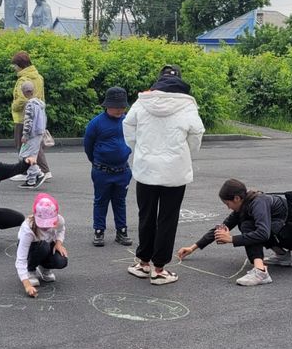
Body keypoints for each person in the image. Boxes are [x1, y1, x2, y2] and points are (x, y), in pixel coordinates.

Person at [123, 64, 204, 285]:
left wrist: (139, 149)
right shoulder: (187, 104)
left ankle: (143, 262)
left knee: (146, 215)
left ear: (159, 80)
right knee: (168, 218)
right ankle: (159, 269)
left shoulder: (143, 100)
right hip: (175, 171)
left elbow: (128, 125)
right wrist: (186, 153)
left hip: (146, 168)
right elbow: (197, 132)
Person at [177, 178, 292, 287]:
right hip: (289, 233)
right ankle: (283, 256)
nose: (228, 208)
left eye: (227, 204)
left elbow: (263, 234)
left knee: (248, 225)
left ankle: (261, 272)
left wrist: (231, 239)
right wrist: (192, 247)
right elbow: (221, 228)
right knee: (248, 223)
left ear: (237, 198)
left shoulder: (259, 202)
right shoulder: (245, 204)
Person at [83, 86, 132, 247]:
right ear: (107, 105)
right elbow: (88, 146)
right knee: (101, 201)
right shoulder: (96, 123)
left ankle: (121, 231)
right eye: (116, 107)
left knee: (120, 202)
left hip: (122, 170)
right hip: (102, 170)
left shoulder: (128, 122)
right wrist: (96, 161)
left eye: (122, 107)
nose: (119, 110)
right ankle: (99, 231)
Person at [15, 192, 68, 298]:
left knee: (61, 261)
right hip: (33, 249)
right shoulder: (28, 228)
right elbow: (21, 259)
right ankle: (30, 269)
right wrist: (27, 285)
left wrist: (58, 243)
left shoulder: (59, 220)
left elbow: (61, 229)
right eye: (43, 223)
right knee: (43, 246)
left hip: (46, 245)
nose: (46, 227)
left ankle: (44, 267)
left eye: (49, 223)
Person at [10, 51, 51, 182]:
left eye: (15, 65)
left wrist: (14, 106)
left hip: (23, 117)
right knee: (35, 146)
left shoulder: (23, 80)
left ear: (20, 65)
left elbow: (22, 99)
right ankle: (45, 170)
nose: (14, 68)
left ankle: (26, 171)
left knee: (23, 146)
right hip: (38, 116)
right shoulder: (39, 77)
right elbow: (42, 96)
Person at [17, 80, 47, 189]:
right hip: (39, 132)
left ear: (24, 92)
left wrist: (25, 135)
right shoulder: (40, 104)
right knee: (31, 156)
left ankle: (38, 173)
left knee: (25, 155)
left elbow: (28, 121)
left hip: (32, 134)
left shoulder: (30, 104)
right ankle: (31, 180)